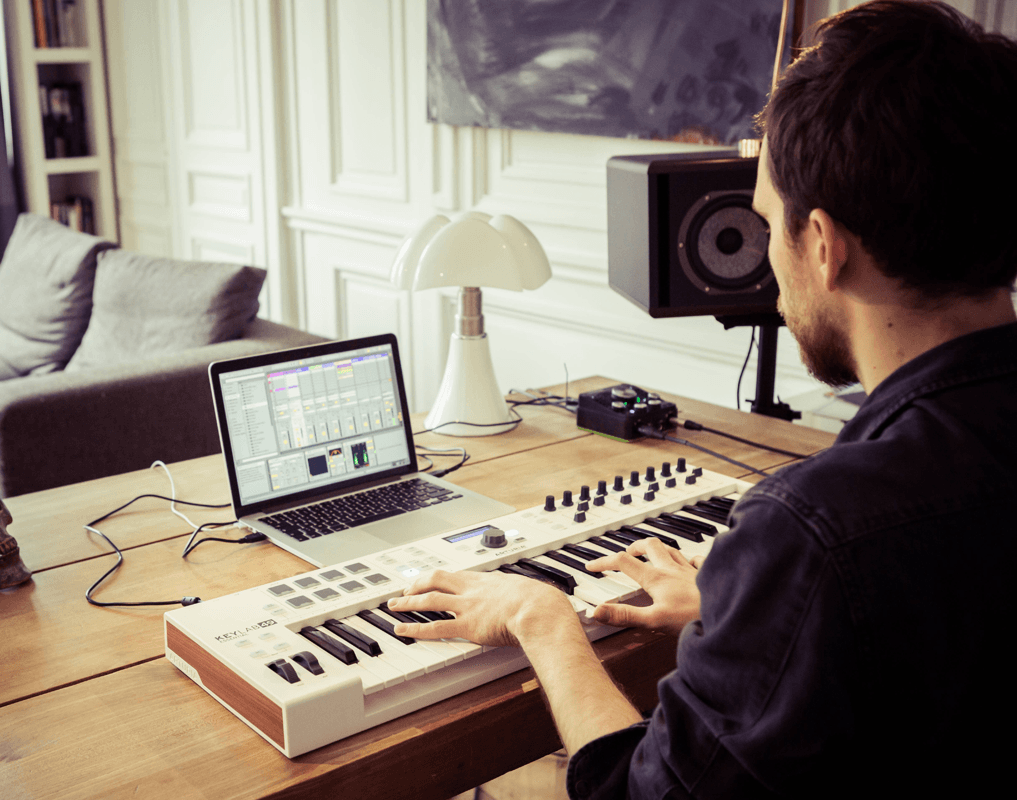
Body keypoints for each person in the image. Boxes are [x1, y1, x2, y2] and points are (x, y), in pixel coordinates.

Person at [387, 2, 1017, 796]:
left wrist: (540, 620)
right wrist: (765, 626)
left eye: (767, 227)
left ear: (824, 247)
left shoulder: (814, 528)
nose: (770, 269)